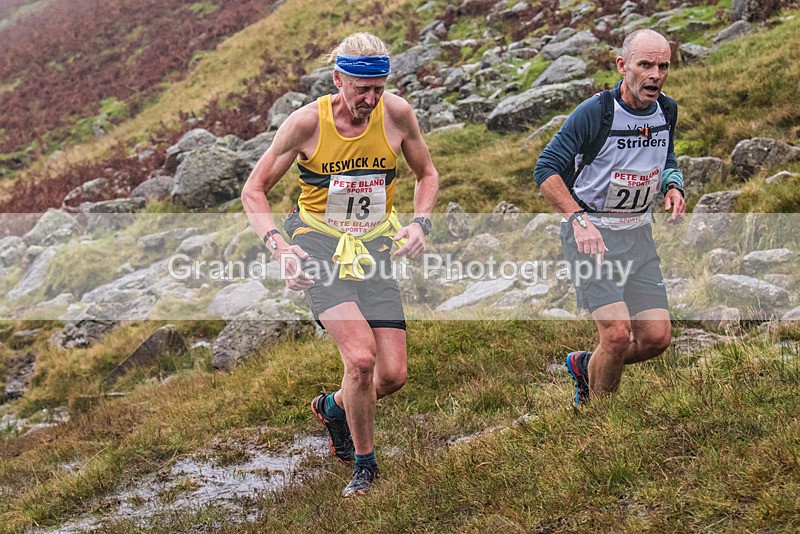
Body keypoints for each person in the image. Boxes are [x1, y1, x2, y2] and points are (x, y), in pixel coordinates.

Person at [241, 32, 438, 497]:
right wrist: (280, 248)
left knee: (393, 376)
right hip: (319, 248)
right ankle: (365, 466)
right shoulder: (306, 124)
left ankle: (333, 408)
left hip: (375, 249)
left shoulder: (397, 115)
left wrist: (420, 225)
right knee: (362, 361)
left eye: (378, 88)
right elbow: (254, 190)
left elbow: (426, 173)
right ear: (338, 80)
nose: (370, 99)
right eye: (360, 88)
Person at [533, 29, 686, 405]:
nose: (655, 75)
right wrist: (577, 219)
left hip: (637, 236)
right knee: (617, 335)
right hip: (593, 237)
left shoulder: (667, 109)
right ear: (623, 66)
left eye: (663, 66)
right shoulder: (596, 113)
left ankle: (587, 365)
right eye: (645, 65)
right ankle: (599, 419)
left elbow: (665, 155)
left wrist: (672, 184)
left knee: (656, 339)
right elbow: (546, 170)